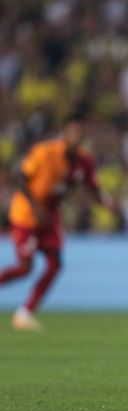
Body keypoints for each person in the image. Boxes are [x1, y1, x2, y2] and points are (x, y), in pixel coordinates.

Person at [0, 116, 113, 330]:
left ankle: (24, 314)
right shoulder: (45, 152)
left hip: (49, 216)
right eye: (72, 133)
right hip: (26, 213)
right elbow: (21, 178)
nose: (76, 138)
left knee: (55, 264)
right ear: (65, 133)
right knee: (25, 267)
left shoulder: (84, 161)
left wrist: (106, 202)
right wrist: (34, 207)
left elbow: (92, 187)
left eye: (80, 134)